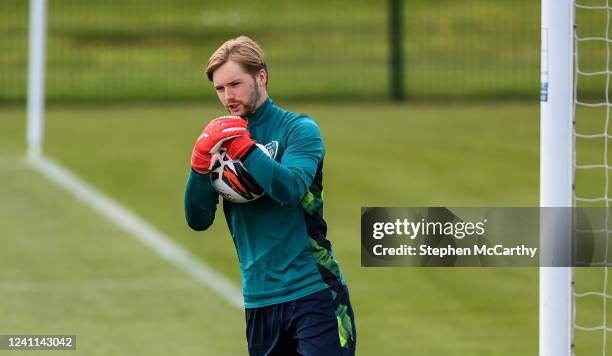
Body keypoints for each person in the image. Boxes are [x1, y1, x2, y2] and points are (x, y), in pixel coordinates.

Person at [184, 36, 356, 356]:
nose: (228, 96)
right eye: (220, 89)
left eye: (235, 84)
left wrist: (242, 147)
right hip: (259, 303)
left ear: (260, 76)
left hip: (314, 294)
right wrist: (198, 164)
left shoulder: (299, 130)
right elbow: (197, 219)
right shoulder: (219, 143)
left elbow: (289, 189)